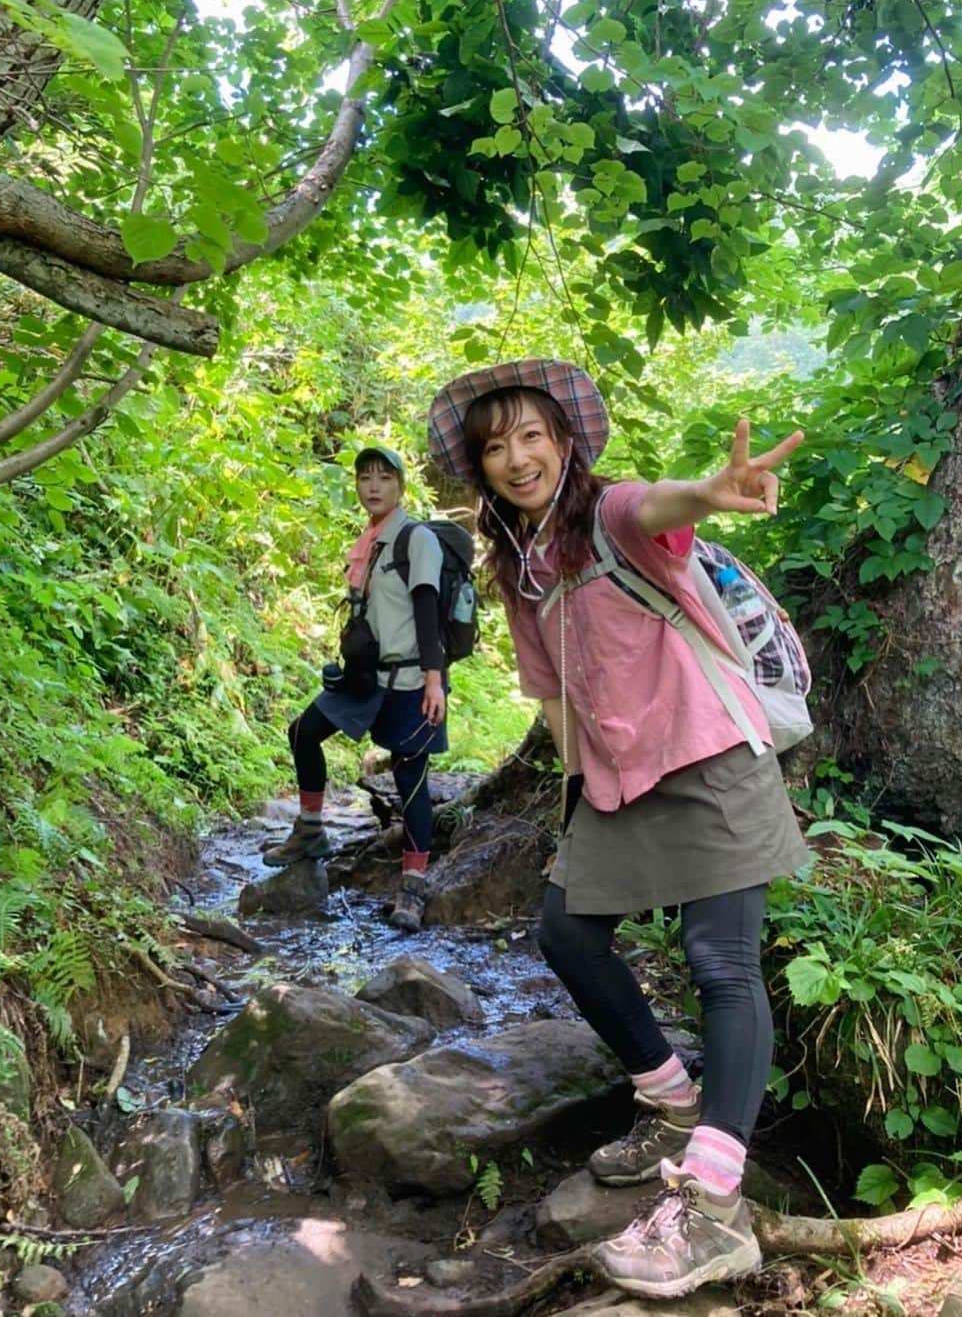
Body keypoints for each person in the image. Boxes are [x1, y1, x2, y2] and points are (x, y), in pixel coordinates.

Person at [427, 360, 809, 1299]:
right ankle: (672, 1102)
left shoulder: (611, 519)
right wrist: (575, 799)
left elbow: (656, 505)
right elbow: (555, 693)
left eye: (530, 436)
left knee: (722, 962)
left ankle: (714, 1212)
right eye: (494, 446)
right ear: (481, 469)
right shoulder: (519, 568)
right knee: (565, 931)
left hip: (712, 756)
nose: (517, 459)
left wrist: (710, 494)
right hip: (619, 781)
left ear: (562, 441)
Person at [262, 446, 448, 932]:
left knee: (410, 782)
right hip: (364, 677)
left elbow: (427, 609)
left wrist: (434, 679)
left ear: (400, 487)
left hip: (411, 679)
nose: (372, 486)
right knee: (303, 731)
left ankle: (413, 887)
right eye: (365, 477)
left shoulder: (417, 539)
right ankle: (309, 832)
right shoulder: (369, 543)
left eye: (384, 478)